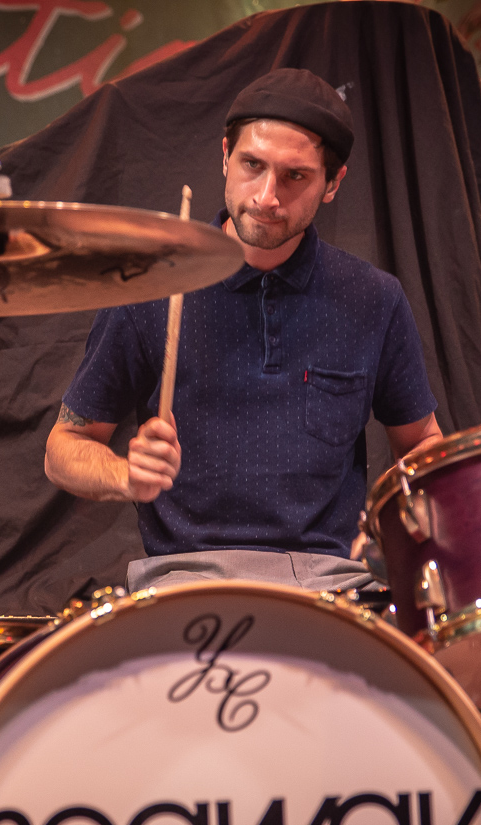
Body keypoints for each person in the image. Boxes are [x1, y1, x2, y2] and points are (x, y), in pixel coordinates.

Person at [45, 68, 443, 592]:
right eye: (252, 165)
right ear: (225, 155)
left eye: (295, 176)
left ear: (333, 183)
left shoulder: (373, 299)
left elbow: (421, 444)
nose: (267, 196)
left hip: (329, 583)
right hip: (185, 579)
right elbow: (64, 447)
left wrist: (393, 516)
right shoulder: (154, 290)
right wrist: (126, 475)